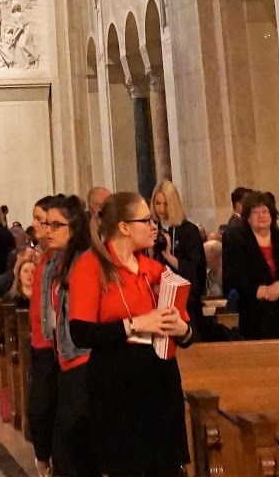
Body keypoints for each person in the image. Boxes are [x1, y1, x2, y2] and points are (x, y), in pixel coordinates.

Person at [67, 191, 190, 477]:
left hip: (160, 380)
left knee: (167, 468)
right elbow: (81, 333)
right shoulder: (90, 265)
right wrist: (135, 324)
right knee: (125, 467)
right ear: (123, 227)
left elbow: (185, 327)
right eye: (145, 220)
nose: (153, 226)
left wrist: (183, 329)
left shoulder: (154, 268)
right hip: (117, 383)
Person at [49, 198, 97, 477]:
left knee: (72, 450)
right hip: (68, 361)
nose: (48, 230)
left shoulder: (83, 263)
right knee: (66, 450)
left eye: (57, 224)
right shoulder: (63, 261)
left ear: (74, 227)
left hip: (83, 361)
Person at [225, 192, 279, 339]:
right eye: (255, 212)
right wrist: (266, 291)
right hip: (256, 317)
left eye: (265, 211)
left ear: (271, 215)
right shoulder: (238, 244)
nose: (261, 216)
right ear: (248, 218)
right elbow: (234, 279)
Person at [27, 199, 58, 477]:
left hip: (51, 346)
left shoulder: (57, 258)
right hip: (39, 341)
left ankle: (47, 460)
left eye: (41, 219)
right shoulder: (45, 257)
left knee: (43, 407)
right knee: (39, 408)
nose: (36, 225)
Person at [150, 179, 206, 329]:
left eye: (166, 204)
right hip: (156, 301)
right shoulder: (150, 229)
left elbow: (195, 272)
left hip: (185, 301)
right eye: (157, 203)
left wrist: (169, 256)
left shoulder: (189, 231)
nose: (161, 209)